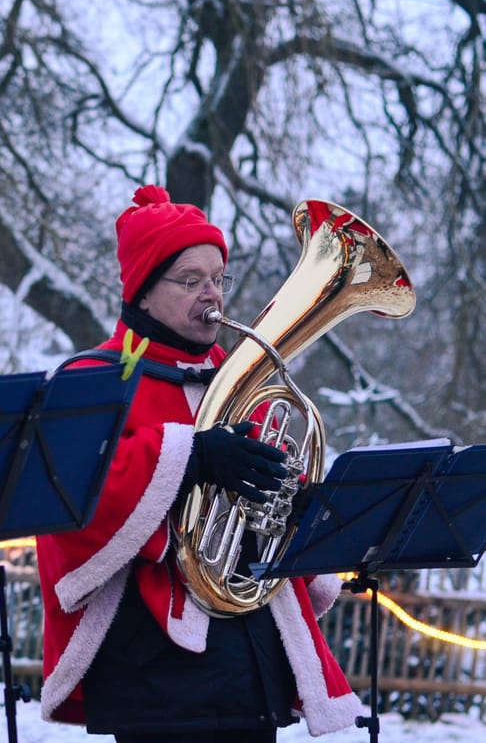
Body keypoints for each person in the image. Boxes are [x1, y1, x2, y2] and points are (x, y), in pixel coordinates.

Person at [35, 185, 362, 742]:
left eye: (217, 278)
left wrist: (290, 502)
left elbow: (269, 493)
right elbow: (73, 503)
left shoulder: (238, 377)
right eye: (190, 280)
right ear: (141, 291)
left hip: (252, 650)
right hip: (153, 664)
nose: (211, 294)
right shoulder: (90, 379)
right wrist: (190, 456)